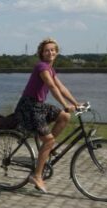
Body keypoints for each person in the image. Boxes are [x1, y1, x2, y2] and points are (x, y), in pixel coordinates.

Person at [14, 38, 80, 193]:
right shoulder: (41, 67)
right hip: (29, 107)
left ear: (56, 52)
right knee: (49, 140)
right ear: (41, 54)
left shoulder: (51, 69)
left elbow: (60, 87)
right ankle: (36, 176)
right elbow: (51, 85)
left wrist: (76, 103)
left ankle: (47, 149)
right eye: (47, 50)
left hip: (39, 106)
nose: (50, 52)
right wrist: (65, 104)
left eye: (53, 50)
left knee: (64, 117)